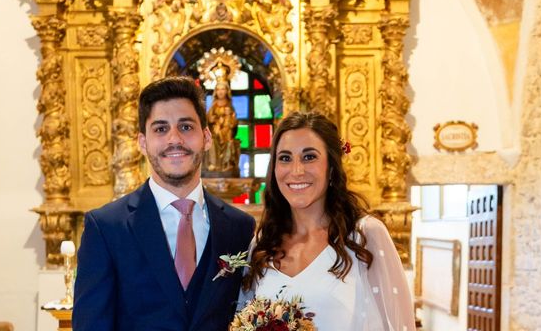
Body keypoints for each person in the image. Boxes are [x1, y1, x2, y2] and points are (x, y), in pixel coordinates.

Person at [73, 76, 256, 331]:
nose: (174, 139)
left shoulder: (239, 227)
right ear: (142, 142)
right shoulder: (106, 228)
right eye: (160, 128)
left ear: (206, 137)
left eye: (186, 127)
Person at [242, 111, 415, 331]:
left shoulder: (364, 235)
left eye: (309, 157)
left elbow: (399, 325)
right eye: (285, 158)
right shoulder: (262, 243)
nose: (296, 170)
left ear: (331, 168)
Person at [204, 79, 240, 177]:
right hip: (215, 132)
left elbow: (233, 122)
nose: (220, 92)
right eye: (218, 89)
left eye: (223, 89)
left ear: (226, 91)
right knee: (211, 142)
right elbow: (208, 120)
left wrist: (230, 121)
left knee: (229, 142)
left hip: (226, 132)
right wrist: (212, 120)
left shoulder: (230, 106)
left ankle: (226, 164)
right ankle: (213, 164)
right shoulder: (213, 105)